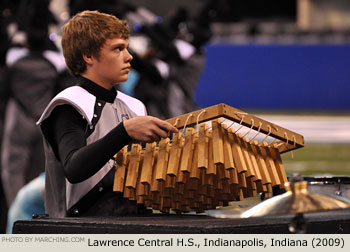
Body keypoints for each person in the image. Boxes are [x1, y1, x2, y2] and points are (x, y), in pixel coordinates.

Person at [37, 10, 178, 218]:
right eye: (118, 49)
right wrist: (125, 131)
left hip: (130, 226)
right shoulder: (69, 103)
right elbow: (74, 169)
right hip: (75, 233)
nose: (129, 56)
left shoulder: (135, 106)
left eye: (126, 48)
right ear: (88, 56)